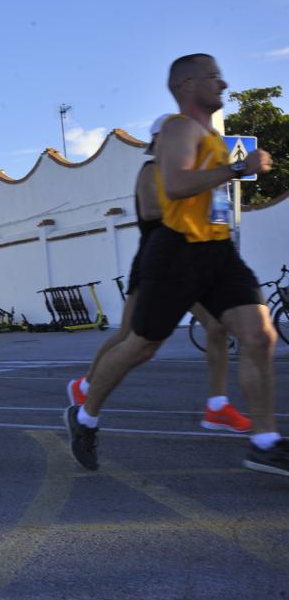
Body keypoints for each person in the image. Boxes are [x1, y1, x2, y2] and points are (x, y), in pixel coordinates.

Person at [65, 54, 285, 476]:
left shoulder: (212, 139)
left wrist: (230, 173)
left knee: (260, 336)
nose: (223, 84)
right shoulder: (179, 129)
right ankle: (86, 414)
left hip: (218, 253)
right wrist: (238, 168)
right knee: (140, 345)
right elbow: (179, 185)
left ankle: (264, 442)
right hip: (177, 251)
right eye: (214, 77)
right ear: (187, 85)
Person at [66, 114, 251, 433]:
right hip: (159, 262)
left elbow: (216, 216)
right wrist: (189, 200)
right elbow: (152, 210)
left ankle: (217, 405)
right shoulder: (152, 170)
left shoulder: (197, 174)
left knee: (217, 325)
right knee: (130, 336)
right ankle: (85, 388)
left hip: (196, 259)